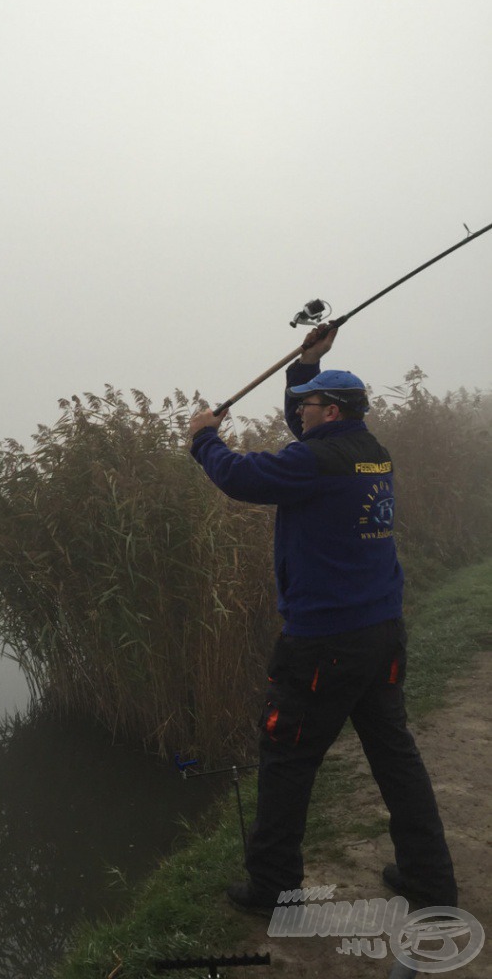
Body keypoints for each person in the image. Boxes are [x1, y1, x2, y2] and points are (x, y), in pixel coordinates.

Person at [187, 326, 457, 914]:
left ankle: (273, 892)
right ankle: (430, 880)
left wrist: (205, 439)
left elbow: (240, 478)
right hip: (382, 633)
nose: (298, 412)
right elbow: (304, 442)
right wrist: (305, 365)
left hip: (323, 645)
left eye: (306, 404)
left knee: (286, 762)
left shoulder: (314, 461)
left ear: (329, 411)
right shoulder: (368, 452)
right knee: (395, 759)